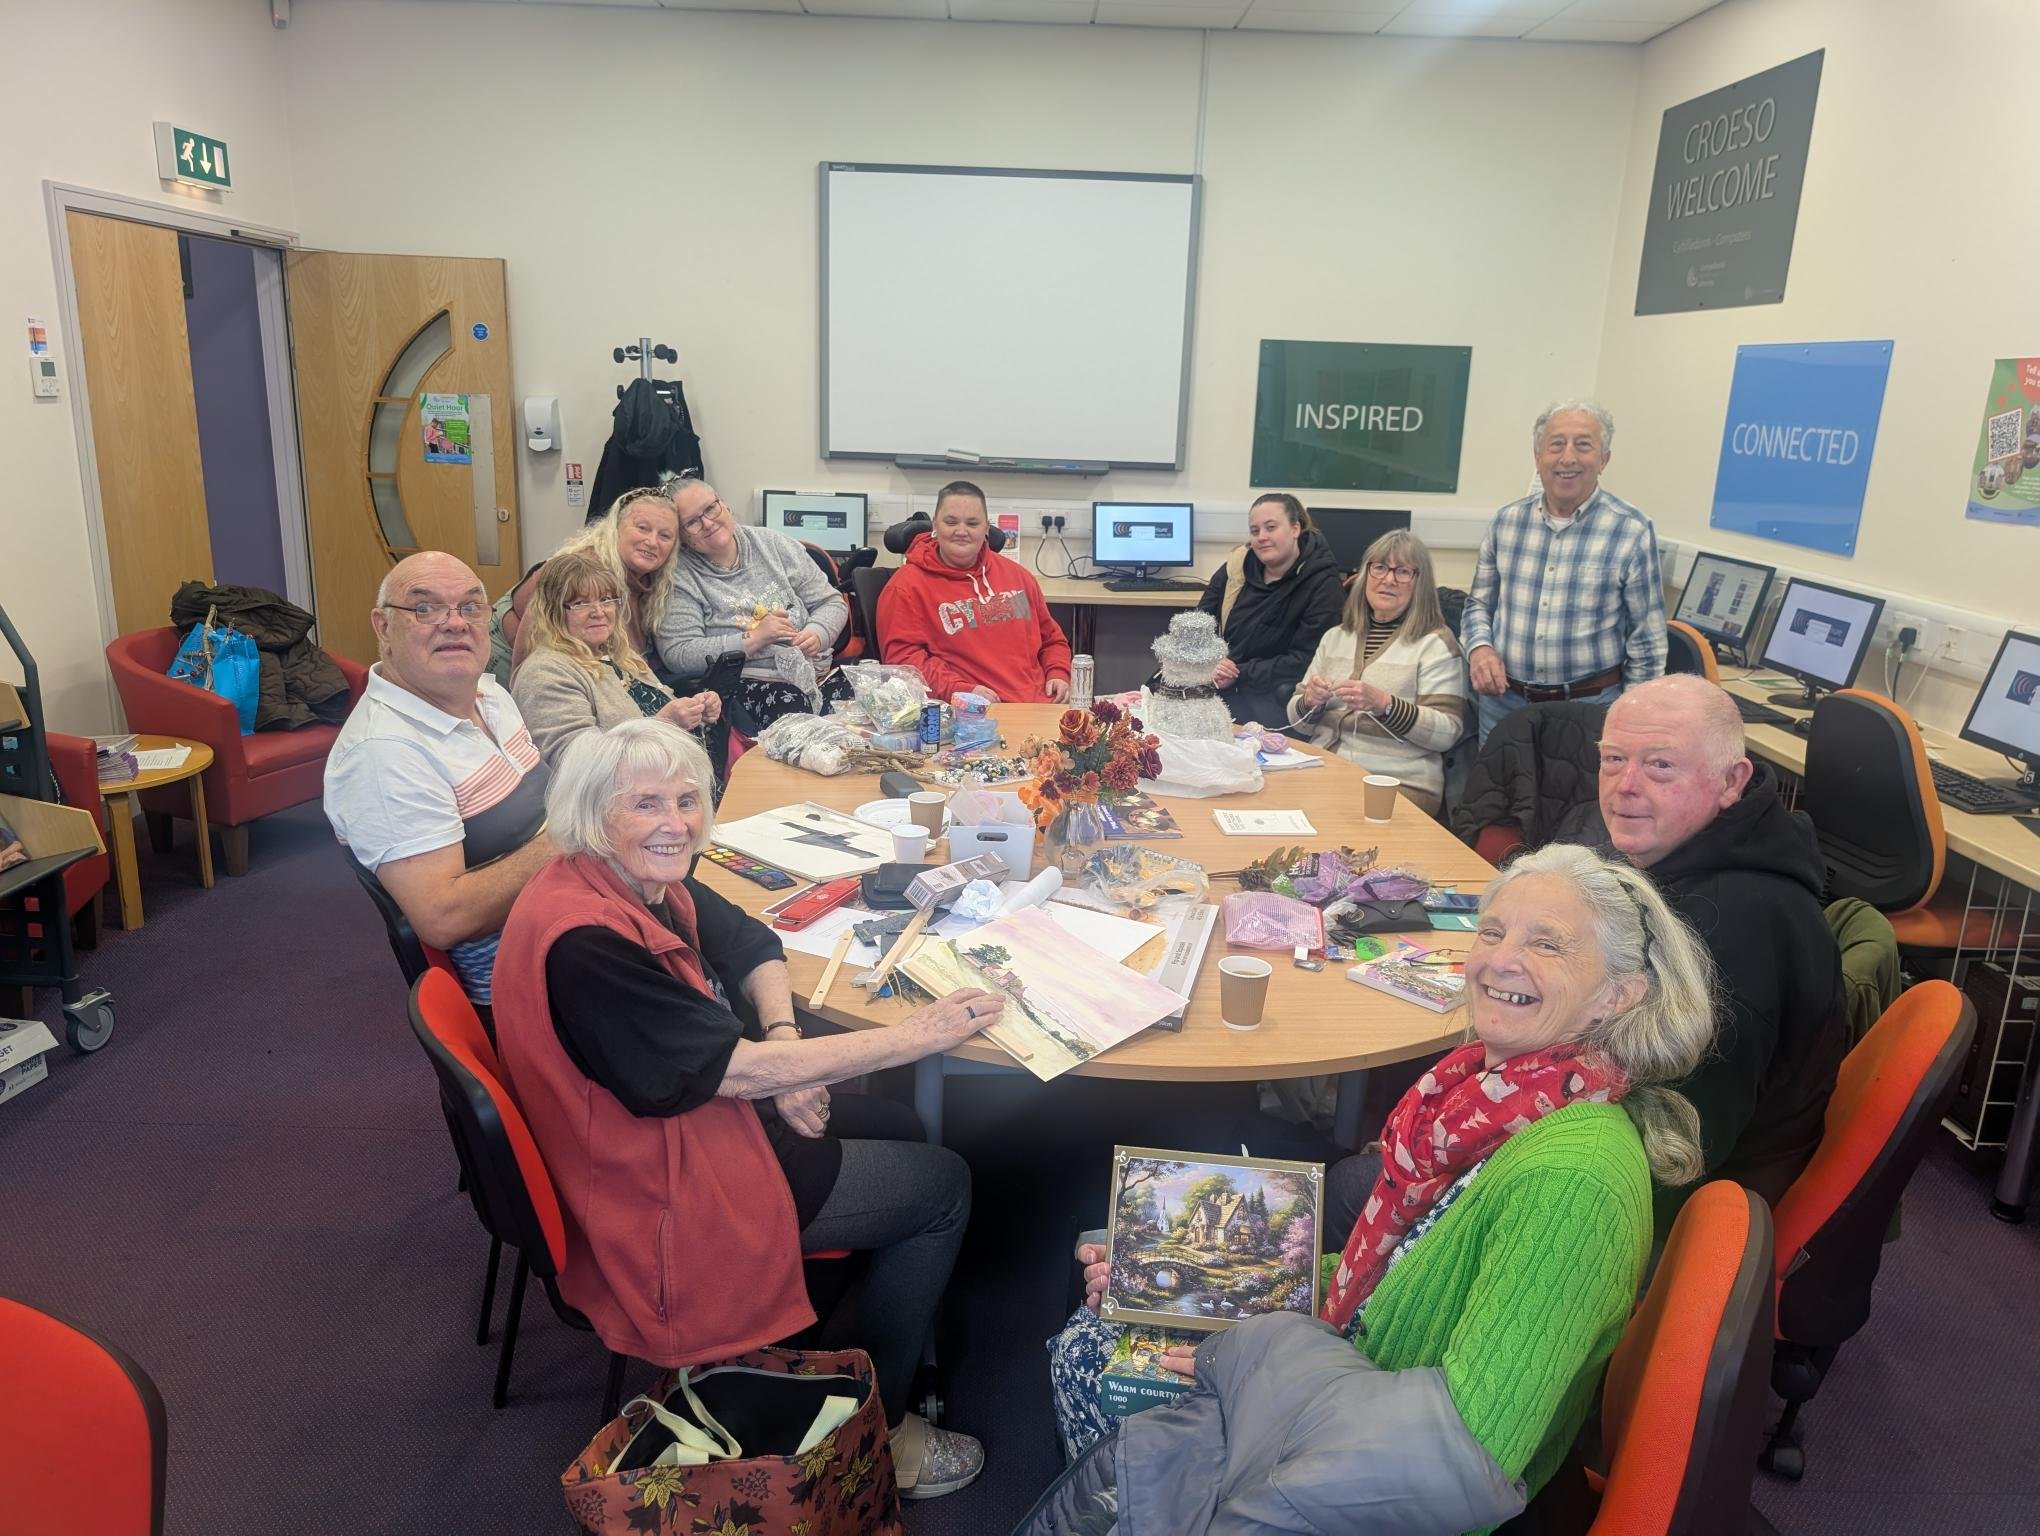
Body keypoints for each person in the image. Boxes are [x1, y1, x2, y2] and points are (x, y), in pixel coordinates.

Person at [1048, 842, 1716, 1519]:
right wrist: (1196, 1283)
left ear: (1619, 995)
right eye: (1493, 930)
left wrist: (1248, 1355)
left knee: (1091, 1360)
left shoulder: (1574, 1182)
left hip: (1381, 1464)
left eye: (1548, 945)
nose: (1501, 959)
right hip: (1356, 1373)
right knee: (1114, 1314)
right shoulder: (1485, 1100)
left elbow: (1459, 1454)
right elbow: (1397, 1274)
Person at [492, 719, 995, 1498]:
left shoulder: (635, 877)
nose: (676, 822)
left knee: (895, 1124)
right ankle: (881, 1430)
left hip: (686, 1125)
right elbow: (734, 1072)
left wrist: (788, 1047)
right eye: (647, 804)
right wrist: (912, 1038)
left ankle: (816, 1346)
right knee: (944, 1186)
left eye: (688, 799)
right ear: (594, 816)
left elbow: (754, 943)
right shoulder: (586, 941)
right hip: (664, 1189)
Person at [1595, 673, 1848, 1228]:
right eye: (1613, 759)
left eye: (1660, 765)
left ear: (1732, 782)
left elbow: (1677, 1151)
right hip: (1635, 1150)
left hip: (1675, 1214)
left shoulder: (1728, 933)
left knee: (1356, 1189)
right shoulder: (1681, 855)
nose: (1625, 786)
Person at [323, 552, 552, 1012]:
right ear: (382, 626)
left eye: (470, 607)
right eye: (424, 609)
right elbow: (442, 918)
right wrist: (575, 838)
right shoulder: (382, 753)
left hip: (576, 907)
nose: (454, 623)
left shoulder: (491, 695)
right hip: (533, 976)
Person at [1462, 400, 1665, 743]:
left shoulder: (1630, 531)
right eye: (1556, 444)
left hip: (1590, 709)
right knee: (1495, 798)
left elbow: (1647, 644)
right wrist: (1480, 648)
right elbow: (1478, 605)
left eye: (1583, 445)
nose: (1567, 458)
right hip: (1504, 705)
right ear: (1537, 456)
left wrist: (1632, 724)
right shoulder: (1506, 523)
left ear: (1603, 459)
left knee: (1580, 799)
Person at [1287, 528, 1468, 816]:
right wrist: (1310, 701)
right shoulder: (1336, 637)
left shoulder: (1435, 644)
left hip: (1398, 786)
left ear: (1420, 583)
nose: (1388, 579)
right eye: (1380, 567)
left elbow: (1446, 733)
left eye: (1403, 571)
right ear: (1365, 574)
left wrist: (1385, 705)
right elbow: (1299, 723)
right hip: (1325, 774)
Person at [656, 480, 850, 734]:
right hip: (749, 684)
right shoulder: (680, 577)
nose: (707, 523)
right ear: (681, 535)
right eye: (692, 522)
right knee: (794, 714)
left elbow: (830, 601)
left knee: (869, 696)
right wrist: (754, 638)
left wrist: (817, 633)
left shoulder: (773, 544)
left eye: (710, 509)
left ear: (723, 504)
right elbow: (678, 653)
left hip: (813, 673)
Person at [508, 549, 723, 772]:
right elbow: (573, 765)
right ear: (553, 611)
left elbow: (661, 712)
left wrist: (697, 711)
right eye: (581, 603)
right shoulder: (544, 673)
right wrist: (663, 724)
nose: (599, 612)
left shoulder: (619, 656)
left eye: (606, 599)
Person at [877, 481, 1072, 704]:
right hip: (971, 713)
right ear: (935, 526)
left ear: (986, 529)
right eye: (951, 522)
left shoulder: (1017, 578)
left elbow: (1050, 640)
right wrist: (958, 690)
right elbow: (904, 664)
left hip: (1038, 707)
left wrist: (1058, 671)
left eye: (972, 523)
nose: (961, 531)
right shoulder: (906, 588)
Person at [496, 487, 683, 678]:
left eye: (664, 536)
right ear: (616, 527)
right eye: (642, 528)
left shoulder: (652, 581)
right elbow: (531, 646)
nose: (652, 542)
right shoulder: (583, 569)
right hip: (510, 657)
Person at [1194, 493, 1344, 727]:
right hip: (1216, 679)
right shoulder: (1237, 568)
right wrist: (1212, 662)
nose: (1262, 537)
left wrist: (1237, 673)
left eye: (1271, 527)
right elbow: (1197, 623)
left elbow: (1304, 660)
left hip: (1268, 695)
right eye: (1255, 531)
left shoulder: (1323, 584)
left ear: (1295, 529)